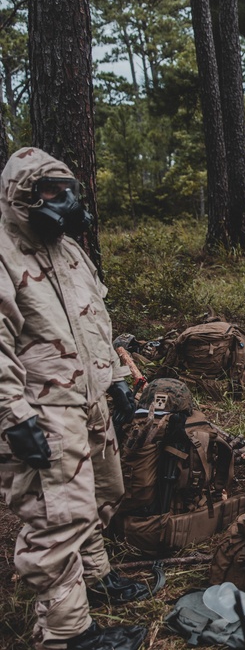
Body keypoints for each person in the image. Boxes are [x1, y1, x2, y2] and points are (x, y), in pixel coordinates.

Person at [0, 148, 149, 650]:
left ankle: (98, 577)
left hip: (89, 399)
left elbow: (95, 319)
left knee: (100, 496)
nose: (64, 202)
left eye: (69, 191)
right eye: (50, 192)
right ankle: (69, 634)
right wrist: (13, 417)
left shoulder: (67, 248)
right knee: (58, 520)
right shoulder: (4, 250)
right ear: (22, 194)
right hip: (41, 411)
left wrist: (116, 380)